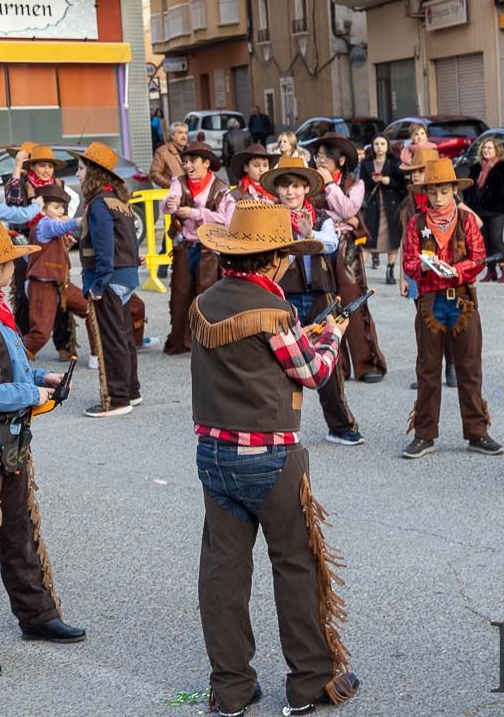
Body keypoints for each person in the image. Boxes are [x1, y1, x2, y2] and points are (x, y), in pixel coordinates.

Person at [189, 200, 359, 716]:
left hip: (213, 453)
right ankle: (309, 684)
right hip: (269, 457)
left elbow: (255, 360)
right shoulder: (275, 310)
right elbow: (312, 372)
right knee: (295, 565)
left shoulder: (205, 303)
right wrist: (330, 337)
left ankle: (231, 690)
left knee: (223, 572)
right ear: (274, 260)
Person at [0, 224, 86, 679]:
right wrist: (30, 396)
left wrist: (41, 380)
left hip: (7, 444)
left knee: (18, 532)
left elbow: (12, 370)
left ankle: (36, 616)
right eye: (10, 261)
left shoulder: (1, 313)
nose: (15, 269)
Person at [400, 159, 501, 460]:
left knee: (469, 368)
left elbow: (480, 259)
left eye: (444, 191)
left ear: (454, 190)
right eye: (433, 192)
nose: (438, 198)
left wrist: (455, 271)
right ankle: (424, 434)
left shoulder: (467, 221)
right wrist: (426, 266)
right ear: (426, 193)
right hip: (430, 301)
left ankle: (477, 432)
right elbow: (408, 262)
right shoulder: (416, 223)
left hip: (463, 300)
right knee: (428, 369)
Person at [262, 156, 364, 447]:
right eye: (284, 187)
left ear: (306, 188)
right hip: (285, 296)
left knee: (329, 363)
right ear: (277, 191)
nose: (290, 192)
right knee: (280, 365)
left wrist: (309, 234)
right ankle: (277, 428)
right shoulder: (269, 217)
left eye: (295, 186)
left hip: (321, 297)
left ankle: (340, 426)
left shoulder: (321, 218)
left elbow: (330, 243)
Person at [69, 142, 142, 418]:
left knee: (110, 339)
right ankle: (131, 391)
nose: (77, 175)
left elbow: (104, 248)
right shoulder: (118, 200)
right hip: (125, 276)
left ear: (94, 174)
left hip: (108, 280)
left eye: (81, 168)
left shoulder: (99, 204)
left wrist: (98, 284)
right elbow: (130, 241)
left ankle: (116, 398)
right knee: (123, 336)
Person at [313, 132, 386, 384]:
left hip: (346, 250)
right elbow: (310, 209)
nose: (320, 161)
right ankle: (336, 365)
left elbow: (348, 209)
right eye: (318, 156)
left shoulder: (355, 184)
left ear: (341, 161)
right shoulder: (311, 182)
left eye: (325, 156)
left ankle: (367, 364)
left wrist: (330, 188)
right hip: (320, 246)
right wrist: (343, 217)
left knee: (354, 303)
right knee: (326, 304)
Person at [163, 141, 233, 355]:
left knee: (207, 295)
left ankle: (209, 342)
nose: (188, 166)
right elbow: (166, 205)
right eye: (185, 161)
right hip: (185, 246)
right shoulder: (179, 181)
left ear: (206, 163)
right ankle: (181, 341)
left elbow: (226, 221)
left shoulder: (221, 188)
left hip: (210, 250)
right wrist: (170, 204)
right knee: (180, 294)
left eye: (193, 161)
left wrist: (195, 213)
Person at [397, 148, 458, 390]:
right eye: (413, 172)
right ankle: (427, 371)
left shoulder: (451, 201)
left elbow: (474, 226)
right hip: (418, 271)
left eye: (421, 171)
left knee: (449, 321)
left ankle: (452, 366)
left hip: (446, 275)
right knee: (425, 323)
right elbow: (404, 241)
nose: (416, 176)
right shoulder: (406, 206)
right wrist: (403, 276)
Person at [5, 144, 73, 355]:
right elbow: (13, 205)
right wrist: (17, 168)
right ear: (31, 166)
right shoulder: (21, 183)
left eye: (49, 166)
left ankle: (64, 344)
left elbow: (66, 211)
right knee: (26, 297)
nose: (46, 170)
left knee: (61, 291)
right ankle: (23, 346)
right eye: (41, 165)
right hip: (25, 244)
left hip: (53, 244)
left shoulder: (59, 184)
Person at [22, 185, 96, 360]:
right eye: (56, 207)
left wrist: (66, 246)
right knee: (40, 333)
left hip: (60, 284)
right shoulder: (44, 223)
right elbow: (57, 226)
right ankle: (7, 358)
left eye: (62, 207)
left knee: (91, 309)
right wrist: (80, 221)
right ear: (43, 208)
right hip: (41, 284)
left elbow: (52, 248)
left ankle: (97, 355)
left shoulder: (52, 225)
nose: (61, 210)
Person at [465, 136, 504, 283]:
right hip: (480, 210)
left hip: (497, 209)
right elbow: (469, 188)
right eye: (485, 148)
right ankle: (491, 270)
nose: (487, 150)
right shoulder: (476, 167)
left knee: (496, 239)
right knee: (485, 240)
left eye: (490, 148)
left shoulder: (503, 166)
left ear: (496, 150)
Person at [360, 135, 404, 286]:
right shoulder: (366, 163)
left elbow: (402, 184)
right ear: (372, 146)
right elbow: (362, 184)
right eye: (376, 143)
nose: (379, 146)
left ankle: (390, 270)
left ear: (387, 146)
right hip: (372, 205)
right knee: (367, 241)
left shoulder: (394, 162)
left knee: (392, 240)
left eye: (382, 143)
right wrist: (373, 181)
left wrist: (388, 180)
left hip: (390, 205)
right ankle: (360, 274)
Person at [150, 122, 188, 188]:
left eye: (186, 133)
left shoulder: (191, 150)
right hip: (172, 194)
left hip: (191, 193)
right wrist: (172, 185)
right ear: (172, 136)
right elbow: (154, 174)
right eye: (180, 133)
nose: (184, 136)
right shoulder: (162, 152)